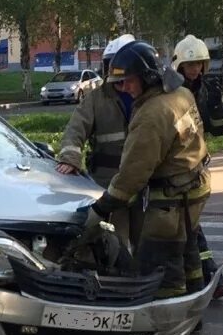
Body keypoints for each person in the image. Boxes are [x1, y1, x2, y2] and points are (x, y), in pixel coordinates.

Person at [87, 40, 211, 299]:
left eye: (128, 81)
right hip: (196, 187)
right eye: (119, 83)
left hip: (170, 201)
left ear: (148, 77)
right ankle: (194, 310)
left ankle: (166, 316)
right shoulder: (180, 94)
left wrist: (101, 208)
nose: (124, 88)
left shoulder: (151, 114)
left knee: (158, 262)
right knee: (188, 252)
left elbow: (133, 172)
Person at [56, 33, 143, 250]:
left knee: (147, 240)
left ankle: (146, 279)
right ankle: (119, 281)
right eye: (110, 66)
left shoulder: (147, 95)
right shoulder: (97, 98)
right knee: (116, 240)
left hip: (144, 182)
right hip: (108, 184)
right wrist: (70, 157)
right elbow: (76, 128)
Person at [171, 35, 223, 299]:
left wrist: (218, 106)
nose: (195, 69)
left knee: (191, 226)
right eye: (190, 64)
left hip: (196, 169)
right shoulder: (170, 91)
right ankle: (209, 277)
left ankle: (207, 278)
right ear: (179, 65)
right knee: (190, 226)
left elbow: (221, 128)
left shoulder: (205, 89)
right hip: (177, 167)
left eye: (199, 64)